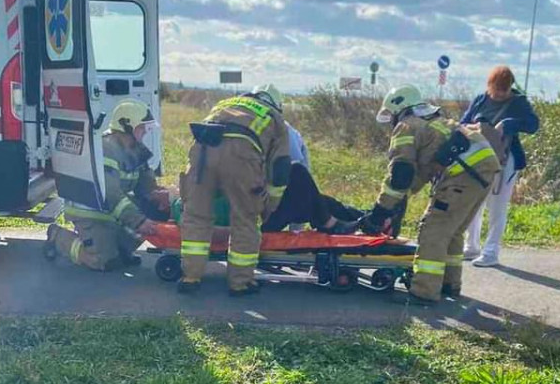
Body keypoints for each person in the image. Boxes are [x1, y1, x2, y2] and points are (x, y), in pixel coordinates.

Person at [366, 85, 501, 303]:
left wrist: (381, 210)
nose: (392, 121)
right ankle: (449, 284)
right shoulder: (434, 122)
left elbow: (401, 173)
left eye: (391, 115)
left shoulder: (406, 125)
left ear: (399, 108)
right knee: (453, 231)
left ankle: (424, 292)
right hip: (483, 171)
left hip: (463, 176)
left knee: (433, 231)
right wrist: (400, 201)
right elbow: (422, 172)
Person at [177, 84, 290, 297]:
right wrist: (269, 205)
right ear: (276, 103)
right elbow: (280, 166)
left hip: (202, 152)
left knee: (196, 216)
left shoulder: (226, 103)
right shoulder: (274, 117)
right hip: (241, 156)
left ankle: (190, 277)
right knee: (244, 220)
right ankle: (240, 282)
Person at [43, 99, 168, 270]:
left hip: (110, 211)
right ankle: (58, 237)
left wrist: (159, 197)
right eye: (142, 128)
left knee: (154, 209)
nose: (145, 132)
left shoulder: (135, 149)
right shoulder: (106, 149)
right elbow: (110, 193)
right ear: (127, 126)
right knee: (102, 261)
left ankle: (121, 249)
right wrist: (138, 222)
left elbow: (146, 185)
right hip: (91, 212)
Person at [461, 65, 539, 267]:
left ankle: (491, 251)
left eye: (505, 90)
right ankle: (471, 246)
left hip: (505, 158)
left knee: (497, 205)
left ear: (511, 86)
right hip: (477, 158)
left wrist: (508, 123)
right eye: (497, 89)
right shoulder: (481, 99)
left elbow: (533, 125)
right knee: (474, 201)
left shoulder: (519, 102)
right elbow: (463, 122)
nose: (500, 94)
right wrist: (474, 127)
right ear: (490, 85)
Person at [261, 120, 363, 233]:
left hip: (263, 208)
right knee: (299, 173)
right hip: (262, 213)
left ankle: (363, 219)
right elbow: (296, 175)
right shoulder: (279, 129)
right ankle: (332, 223)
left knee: (320, 201)